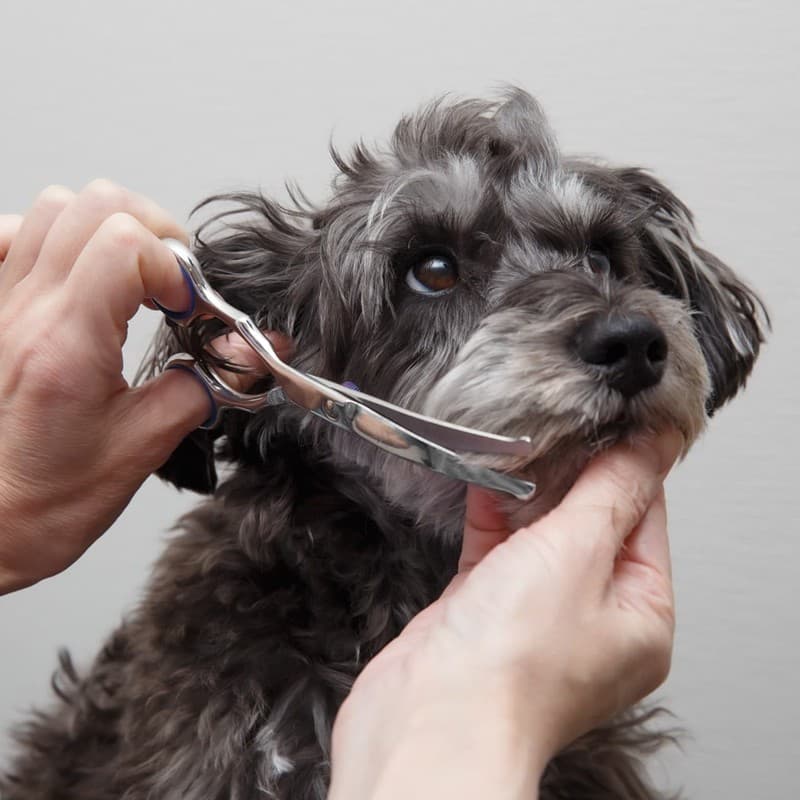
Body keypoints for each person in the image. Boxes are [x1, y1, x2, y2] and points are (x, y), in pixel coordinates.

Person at [0, 182, 682, 800]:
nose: (623, 328)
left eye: (598, 259)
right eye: (434, 274)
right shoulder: (219, 707)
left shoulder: (578, 664)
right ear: (286, 373)